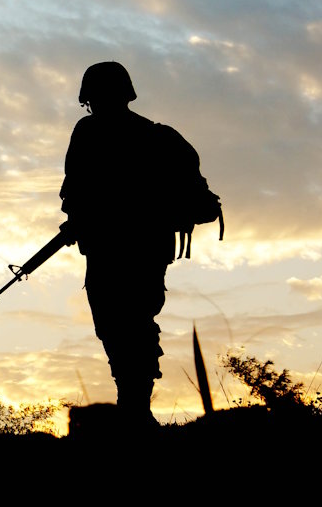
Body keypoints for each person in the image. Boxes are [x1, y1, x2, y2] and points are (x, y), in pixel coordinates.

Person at [59, 61, 210, 427]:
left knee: (128, 323)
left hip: (129, 249)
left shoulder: (102, 133)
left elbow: (74, 190)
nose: (94, 104)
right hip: (130, 249)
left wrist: (82, 217)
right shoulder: (141, 135)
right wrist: (77, 221)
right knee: (122, 324)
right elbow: (75, 191)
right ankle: (134, 404)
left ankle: (135, 406)